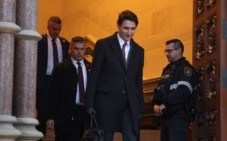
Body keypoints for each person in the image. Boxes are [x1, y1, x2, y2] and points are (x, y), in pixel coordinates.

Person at [86, 10, 144, 141]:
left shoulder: (139, 51)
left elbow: (138, 80)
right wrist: (89, 103)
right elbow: (94, 76)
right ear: (118, 26)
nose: (129, 32)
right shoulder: (103, 45)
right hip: (106, 103)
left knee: (131, 137)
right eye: (126, 28)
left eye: (133, 29)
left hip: (130, 104)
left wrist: (141, 106)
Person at [151, 39, 198, 141]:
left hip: (178, 117)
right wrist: (155, 104)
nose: (166, 54)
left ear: (179, 50)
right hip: (165, 116)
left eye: (169, 51)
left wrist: (164, 105)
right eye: (165, 51)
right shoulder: (167, 69)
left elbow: (182, 92)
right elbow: (159, 89)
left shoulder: (186, 69)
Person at [46, 36, 91, 141]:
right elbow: (52, 94)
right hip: (66, 115)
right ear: (70, 49)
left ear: (85, 49)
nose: (79, 52)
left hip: (85, 113)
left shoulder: (90, 67)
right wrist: (50, 116)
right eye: (76, 49)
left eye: (81, 49)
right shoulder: (61, 68)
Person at [36, 16, 70, 137]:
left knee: (60, 110)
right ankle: (40, 136)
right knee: (43, 112)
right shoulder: (40, 41)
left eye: (59, 29)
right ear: (48, 27)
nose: (56, 32)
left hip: (60, 80)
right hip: (45, 80)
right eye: (54, 29)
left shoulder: (65, 43)